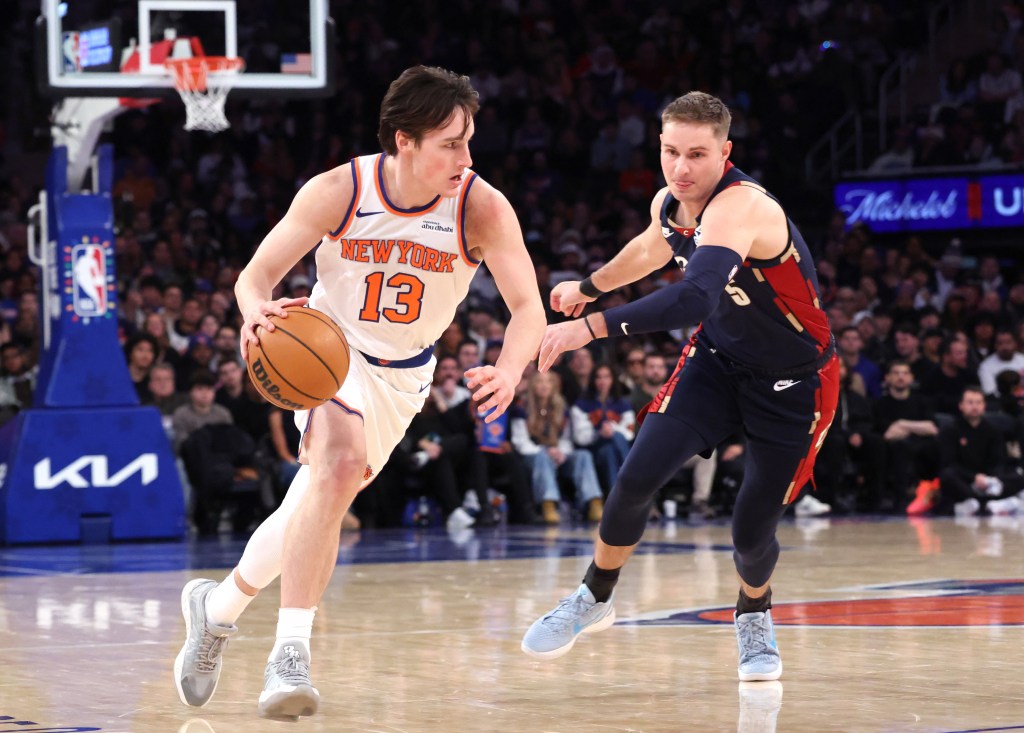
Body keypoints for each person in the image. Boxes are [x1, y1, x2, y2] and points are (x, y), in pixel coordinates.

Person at [173, 66, 545, 718]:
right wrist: (256, 312)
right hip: (327, 354)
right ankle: (290, 654)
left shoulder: (481, 206)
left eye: (468, 141)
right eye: (451, 144)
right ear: (405, 140)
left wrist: (511, 370)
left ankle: (217, 607)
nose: (467, 157)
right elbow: (254, 277)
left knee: (310, 505)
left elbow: (528, 308)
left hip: (404, 377)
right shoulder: (340, 190)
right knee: (339, 465)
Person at [520, 91, 837, 682]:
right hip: (717, 360)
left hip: (795, 380)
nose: (681, 168)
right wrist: (590, 286)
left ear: (725, 153)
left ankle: (754, 611)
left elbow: (694, 297)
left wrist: (589, 326)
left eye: (696, 154)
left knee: (750, 532)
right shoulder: (670, 202)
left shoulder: (740, 207)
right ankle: (594, 596)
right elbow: (651, 248)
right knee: (636, 476)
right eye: (671, 152)